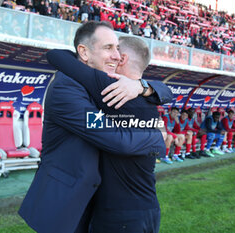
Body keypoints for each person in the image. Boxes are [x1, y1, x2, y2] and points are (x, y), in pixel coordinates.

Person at [19, 21, 170, 233]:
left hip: (94, 202)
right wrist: (157, 138)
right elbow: (114, 137)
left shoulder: (105, 84)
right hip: (67, 203)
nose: (117, 55)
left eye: (117, 48)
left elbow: (162, 90)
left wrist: (142, 86)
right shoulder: (66, 89)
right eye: (108, 48)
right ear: (84, 52)